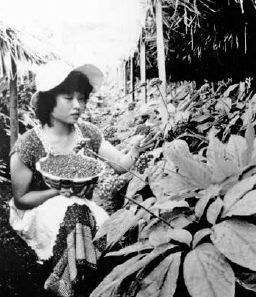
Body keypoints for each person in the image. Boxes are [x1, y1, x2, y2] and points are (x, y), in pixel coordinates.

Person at [9, 61, 151, 297]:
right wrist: (57, 190)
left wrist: (136, 149)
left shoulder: (87, 133)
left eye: (82, 98)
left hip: (81, 208)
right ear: (48, 101)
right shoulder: (29, 143)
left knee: (108, 234)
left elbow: (120, 166)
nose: (78, 106)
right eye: (68, 98)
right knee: (77, 221)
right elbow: (22, 199)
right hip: (38, 208)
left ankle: (75, 282)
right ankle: (65, 284)